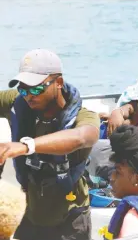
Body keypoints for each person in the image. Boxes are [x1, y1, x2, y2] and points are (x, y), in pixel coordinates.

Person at [0, 49, 100, 239]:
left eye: (36, 89)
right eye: (23, 89)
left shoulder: (84, 116)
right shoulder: (18, 102)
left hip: (69, 215)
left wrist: (25, 146)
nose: (29, 95)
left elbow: (81, 137)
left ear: (58, 83)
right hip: (29, 210)